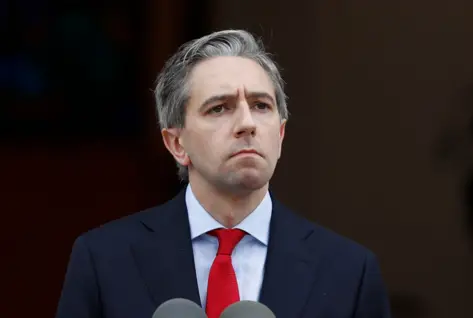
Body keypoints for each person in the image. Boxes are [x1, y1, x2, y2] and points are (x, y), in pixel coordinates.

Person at [55, 29, 391, 318]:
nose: (247, 123)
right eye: (220, 108)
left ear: (281, 133)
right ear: (176, 143)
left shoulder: (349, 272)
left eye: (261, 105)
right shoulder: (104, 260)